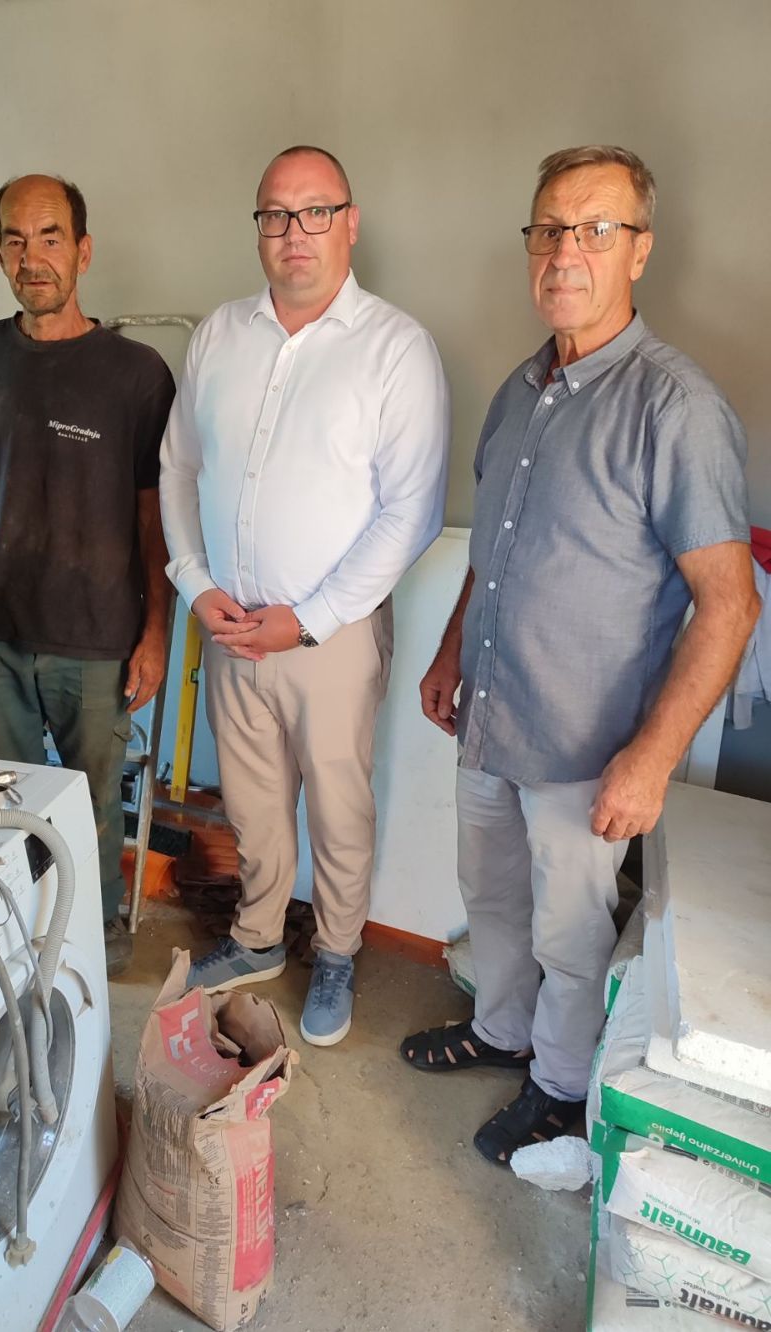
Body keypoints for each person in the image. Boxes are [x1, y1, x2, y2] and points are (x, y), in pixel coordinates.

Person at [401, 145, 760, 1162]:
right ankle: (500, 1030)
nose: (567, 251)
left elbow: (729, 605)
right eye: (550, 228)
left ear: (638, 250)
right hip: (489, 716)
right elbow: (497, 549)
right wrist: (448, 652)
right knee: (491, 900)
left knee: (568, 932)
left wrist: (650, 760)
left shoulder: (674, 407)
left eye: (596, 229)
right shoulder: (521, 391)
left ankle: (559, 1088)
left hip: (584, 747)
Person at [160, 145, 450, 1045]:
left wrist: (310, 619)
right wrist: (195, 583)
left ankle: (335, 952)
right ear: (259, 228)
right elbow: (178, 467)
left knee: (337, 805)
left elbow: (412, 512)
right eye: (276, 214)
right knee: (251, 804)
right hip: (229, 627)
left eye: (315, 211)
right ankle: (256, 937)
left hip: (331, 637)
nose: (295, 232)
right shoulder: (219, 335)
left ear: (349, 223)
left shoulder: (395, 348)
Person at [0, 174, 175, 977]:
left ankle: (92, 947)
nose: (33, 257)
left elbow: (154, 520)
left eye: (50, 237)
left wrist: (156, 633)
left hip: (96, 640)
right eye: (16, 240)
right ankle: (17, 942)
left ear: (83, 251)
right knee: (3, 807)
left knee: (91, 810)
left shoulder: (137, 374)